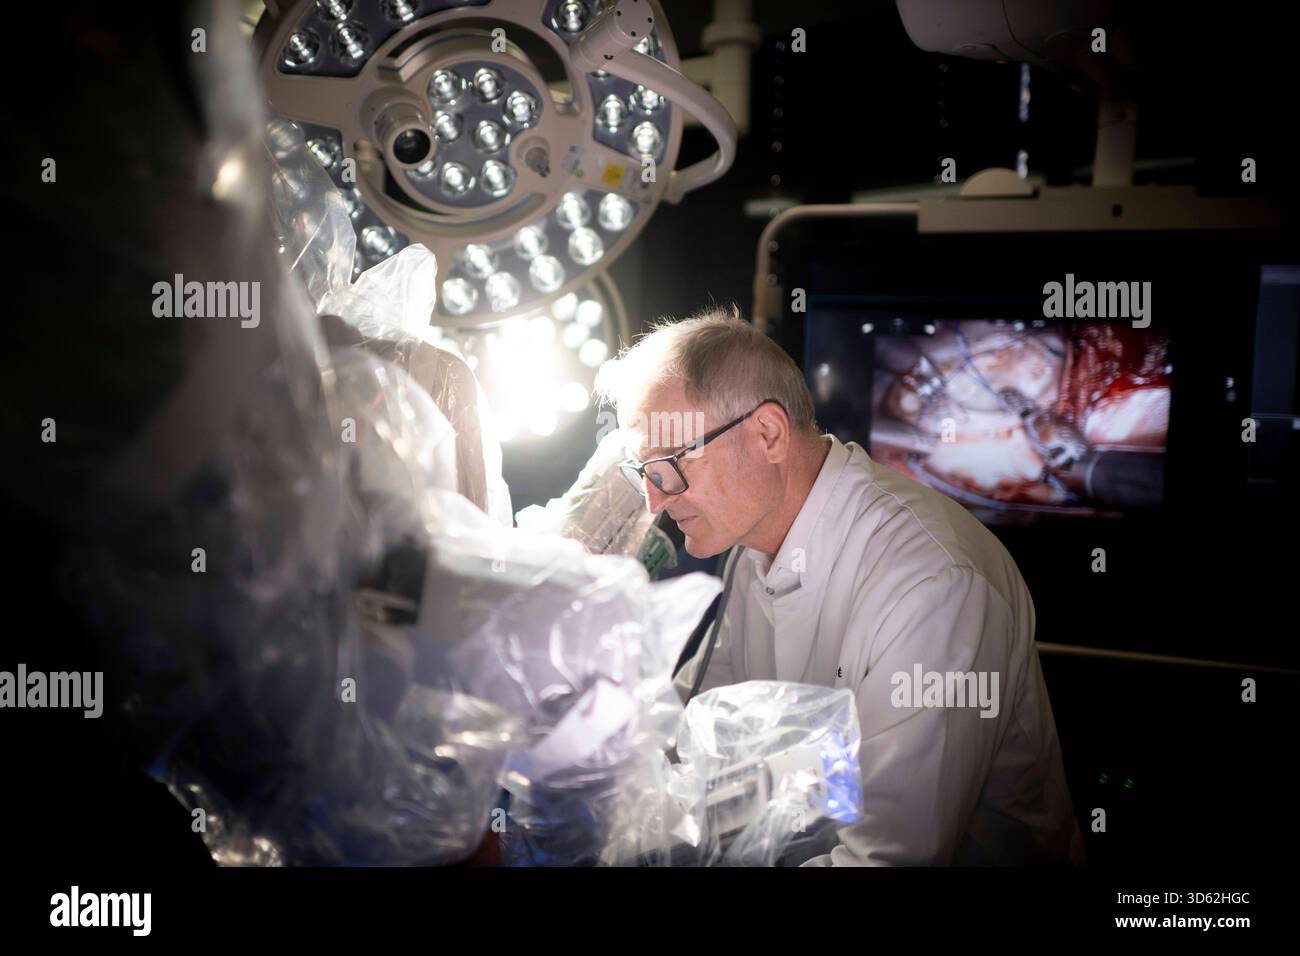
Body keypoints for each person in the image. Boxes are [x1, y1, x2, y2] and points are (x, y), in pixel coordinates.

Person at [594, 305, 1087, 866]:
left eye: (670, 465)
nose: (656, 501)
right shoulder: (751, 546)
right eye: (646, 473)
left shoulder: (932, 582)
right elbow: (697, 731)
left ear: (768, 433)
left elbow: (884, 862)